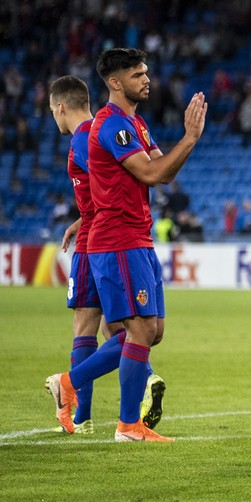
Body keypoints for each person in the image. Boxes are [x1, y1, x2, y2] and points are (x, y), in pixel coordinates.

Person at [47, 48, 207, 443]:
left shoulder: (135, 124)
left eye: (146, 72)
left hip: (138, 238)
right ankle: (116, 418)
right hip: (117, 240)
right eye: (138, 75)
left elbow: (159, 168)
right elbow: (154, 174)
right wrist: (189, 138)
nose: (147, 79)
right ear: (115, 83)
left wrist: (186, 143)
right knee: (136, 330)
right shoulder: (110, 126)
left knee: (152, 331)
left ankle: (76, 388)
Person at [45, 75, 163, 435]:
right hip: (107, 237)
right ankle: (105, 404)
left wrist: (87, 220)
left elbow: (108, 187)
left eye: (52, 111)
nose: (53, 116)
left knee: (92, 326)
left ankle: (80, 409)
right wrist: (81, 219)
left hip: (103, 243)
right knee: (128, 328)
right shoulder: (101, 130)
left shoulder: (84, 138)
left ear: (61, 107)